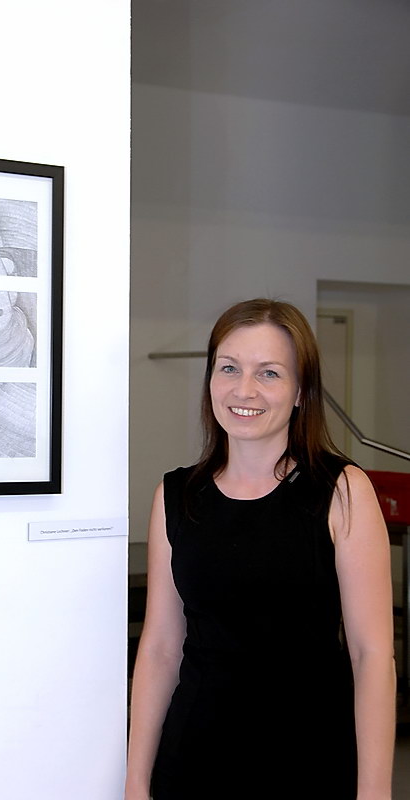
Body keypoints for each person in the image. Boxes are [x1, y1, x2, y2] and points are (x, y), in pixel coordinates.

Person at [125, 298, 396, 800]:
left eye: (269, 373)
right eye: (229, 368)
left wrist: (374, 791)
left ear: (300, 391)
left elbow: (372, 655)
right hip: (193, 761)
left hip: (310, 760)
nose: (244, 389)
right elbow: (161, 647)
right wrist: (136, 780)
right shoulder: (177, 496)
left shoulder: (341, 490)